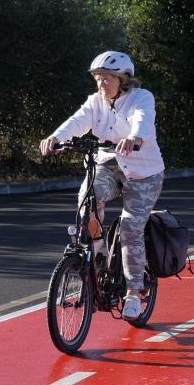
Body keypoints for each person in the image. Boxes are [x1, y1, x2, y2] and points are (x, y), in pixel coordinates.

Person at [40, 51, 164, 319]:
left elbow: (143, 120)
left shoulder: (141, 97)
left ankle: (133, 292)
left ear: (123, 79)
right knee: (88, 200)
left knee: (131, 229)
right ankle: (95, 251)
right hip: (109, 165)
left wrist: (134, 138)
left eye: (107, 78)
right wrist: (56, 137)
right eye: (98, 78)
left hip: (144, 173)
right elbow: (77, 121)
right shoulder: (95, 102)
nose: (101, 83)